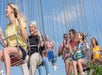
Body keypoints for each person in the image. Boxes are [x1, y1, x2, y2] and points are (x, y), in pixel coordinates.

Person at [0, 3, 28, 75]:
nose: (5, 10)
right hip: (11, 49)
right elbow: (6, 45)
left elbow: (25, 37)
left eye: (7, 8)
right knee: (1, 53)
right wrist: (1, 35)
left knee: (6, 50)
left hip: (21, 49)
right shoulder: (7, 27)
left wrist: (19, 22)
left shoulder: (19, 20)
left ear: (12, 10)